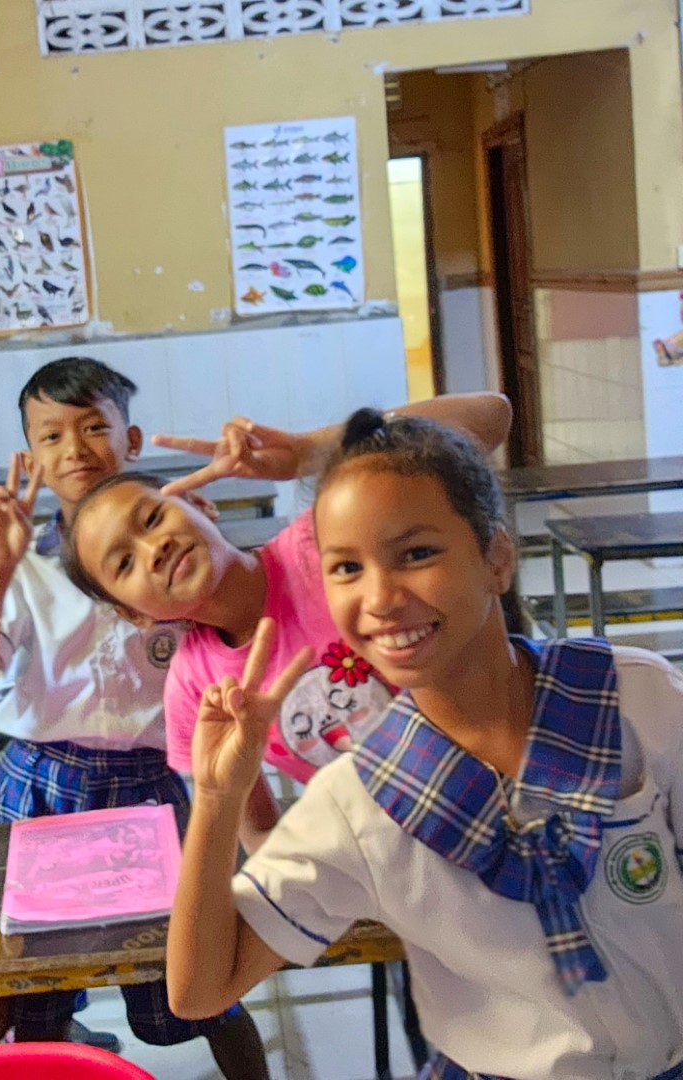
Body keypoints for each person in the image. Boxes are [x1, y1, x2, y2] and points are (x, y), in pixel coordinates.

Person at [165, 409, 683, 1079]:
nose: (380, 597)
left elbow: (490, 412)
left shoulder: (630, 696)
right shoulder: (356, 806)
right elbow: (200, 990)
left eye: (416, 553)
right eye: (346, 568)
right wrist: (215, 798)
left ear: (497, 558)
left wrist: (316, 448)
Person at [0, 358, 270, 1077]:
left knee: (199, 969)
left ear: (134, 438)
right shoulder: (24, 566)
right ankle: (53, 1056)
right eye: (52, 436)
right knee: (41, 986)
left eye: (94, 426)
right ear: (30, 458)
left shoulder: (175, 551)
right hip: (44, 783)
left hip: (156, 779)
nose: (76, 449)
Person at [61, 394, 512, 787]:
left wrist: (307, 452)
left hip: (503, 758)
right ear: (134, 615)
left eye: (153, 519)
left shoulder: (324, 542)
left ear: (200, 502)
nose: (153, 550)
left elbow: (491, 416)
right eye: (124, 563)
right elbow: (252, 828)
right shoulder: (195, 689)